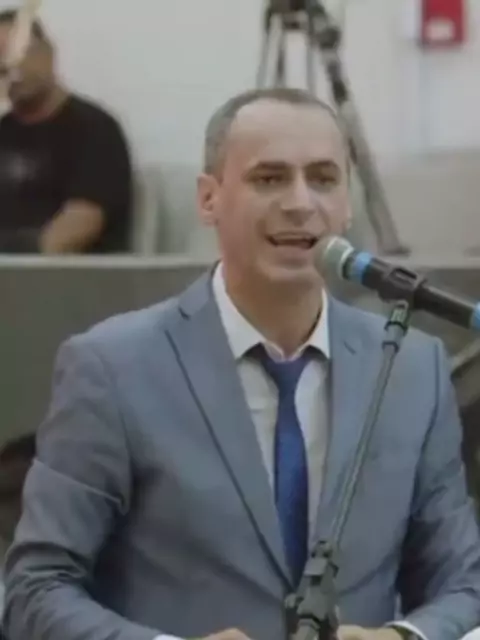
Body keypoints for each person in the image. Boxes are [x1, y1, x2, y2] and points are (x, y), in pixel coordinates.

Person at [3, 88, 480, 640]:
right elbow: (36, 589)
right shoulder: (112, 367)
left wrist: (403, 637)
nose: (300, 202)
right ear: (209, 199)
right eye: (269, 178)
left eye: (323, 178)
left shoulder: (411, 368)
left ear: (347, 202)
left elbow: (463, 583)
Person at [0, 10, 133, 254]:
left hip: (64, 273)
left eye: (21, 54)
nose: (12, 69)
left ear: (49, 53)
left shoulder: (95, 130)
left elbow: (75, 231)